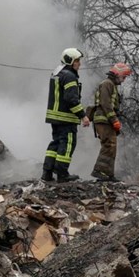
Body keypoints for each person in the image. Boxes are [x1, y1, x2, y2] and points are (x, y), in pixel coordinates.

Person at [43, 48, 88, 182]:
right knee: (68, 144)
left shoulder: (57, 73)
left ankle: (47, 173)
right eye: (77, 61)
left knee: (55, 144)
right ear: (70, 61)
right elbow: (71, 99)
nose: (79, 64)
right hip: (66, 118)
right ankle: (62, 174)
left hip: (55, 117)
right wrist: (83, 116)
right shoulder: (69, 76)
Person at [89, 62, 132, 182]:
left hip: (107, 120)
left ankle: (108, 174)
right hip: (104, 120)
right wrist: (114, 120)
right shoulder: (107, 84)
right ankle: (99, 171)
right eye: (123, 77)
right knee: (108, 145)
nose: (123, 80)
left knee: (112, 146)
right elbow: (106, 103)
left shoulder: (111, 85)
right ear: (118, 74)